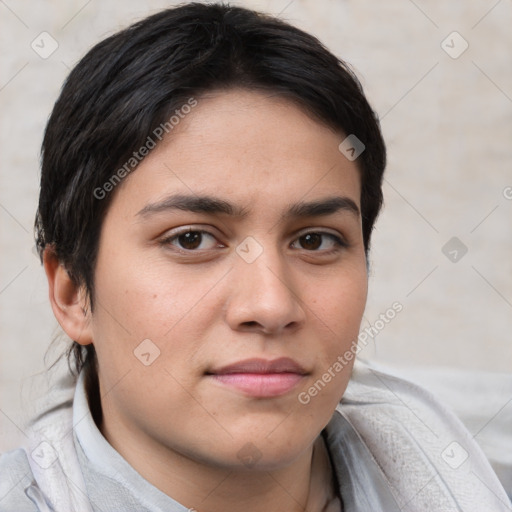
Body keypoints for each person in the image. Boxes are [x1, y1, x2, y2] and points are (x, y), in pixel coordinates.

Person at [0, 3, 509, 511]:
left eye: (314, 240)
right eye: (192, 239)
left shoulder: (476, 477)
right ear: (73, 293)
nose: (270, 305)